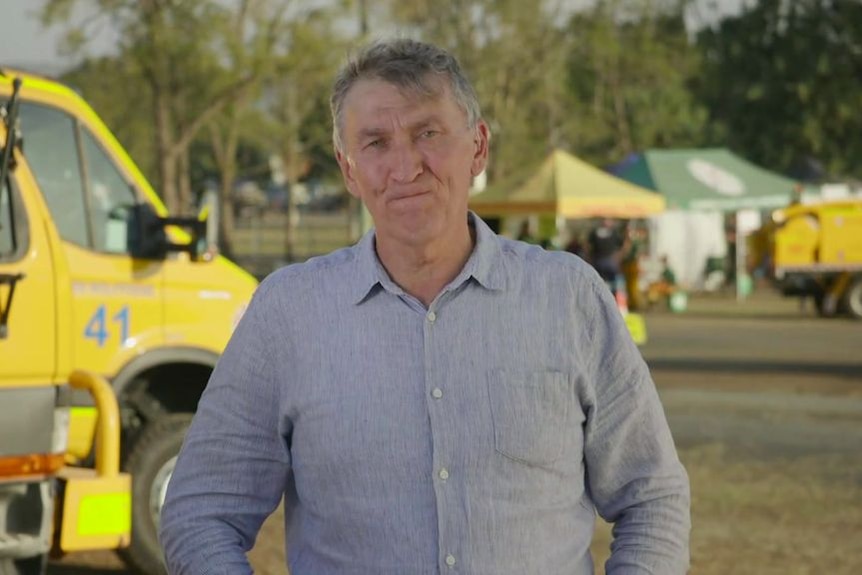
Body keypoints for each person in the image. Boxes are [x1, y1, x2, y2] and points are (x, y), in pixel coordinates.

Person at [160, 38, 690, 575]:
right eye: (375, 143)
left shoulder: (569, 298)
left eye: (428, 133)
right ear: (349, 171)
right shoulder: (287, 313)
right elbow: (201, 511)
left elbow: (651, 497)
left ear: (478, 147)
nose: (406, 166)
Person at [588, 217, 625, 291]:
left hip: (610, 261)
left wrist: (618, 257)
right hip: (598, 261)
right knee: (598, 284)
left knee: (612, 285)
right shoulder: (595, 233)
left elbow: (622, 245)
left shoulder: (614, 233)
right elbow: (588, 245)